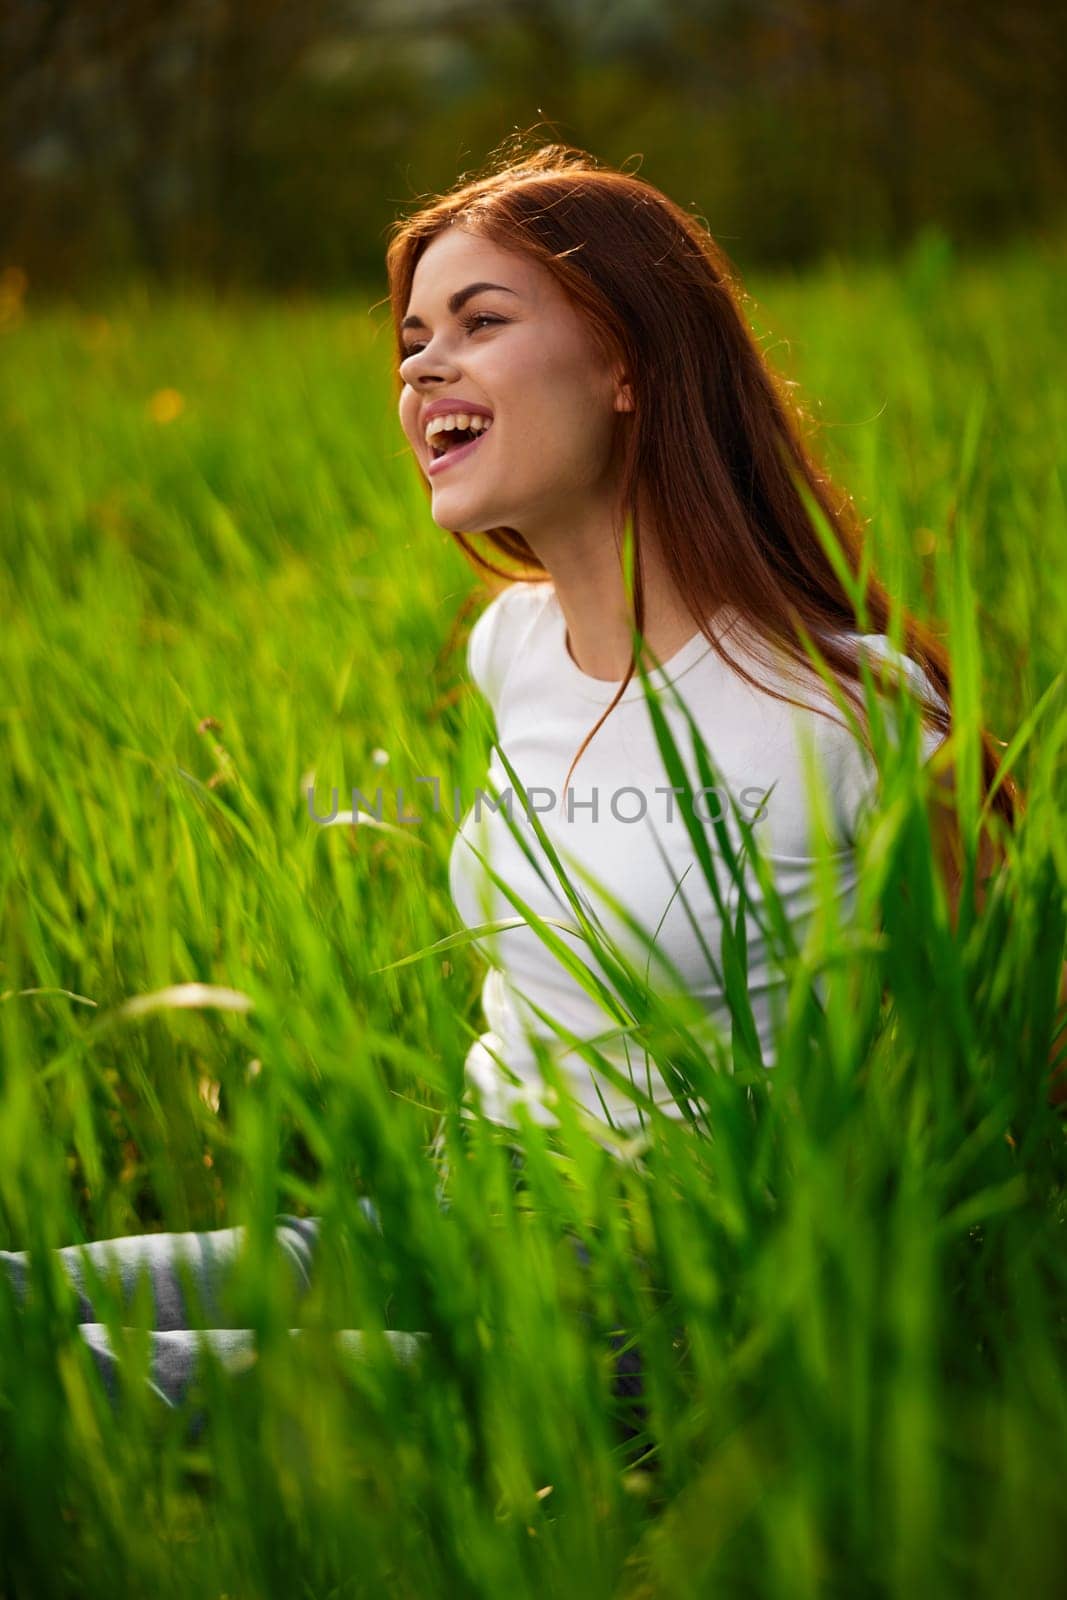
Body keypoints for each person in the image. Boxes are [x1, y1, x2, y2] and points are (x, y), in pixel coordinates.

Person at [1, 139, 1050, 1444]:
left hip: (662, 1294)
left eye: (479, 323)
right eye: (411, 338)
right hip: (459, 1207)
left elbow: (1022, 1054)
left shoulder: (843, 714)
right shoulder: (516, 650)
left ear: (630, 365)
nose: (420, 366)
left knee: (69, 1381)